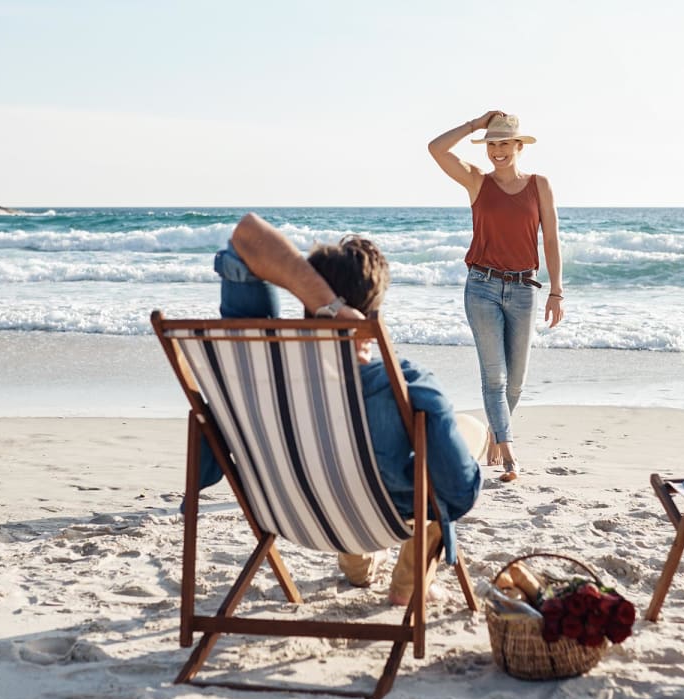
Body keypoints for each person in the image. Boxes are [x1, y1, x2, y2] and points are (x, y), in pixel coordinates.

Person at [196, 213, 484, 606]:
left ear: (304, 296)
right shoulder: (402, 383)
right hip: (378, 517)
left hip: (289, 511)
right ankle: (407, 585)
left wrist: (324, 305)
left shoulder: (254, 367)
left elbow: (244, 240)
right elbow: (459, 491)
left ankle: (357, 564)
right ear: (375, 310)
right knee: (468, 435)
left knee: (343, 456)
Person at [428, 111, 563, 482]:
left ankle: (494, 434)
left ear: (519, 146)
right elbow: (435, 149)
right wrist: (474, 125)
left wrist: (557, 291)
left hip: (525, 289)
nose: (498, 151)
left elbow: (550, 239)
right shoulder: (476, 181)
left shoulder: (540, 185)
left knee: (515, 381)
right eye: (492, 144)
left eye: (505, 143)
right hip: (482, 287)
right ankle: (508, 453)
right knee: (495, 379)